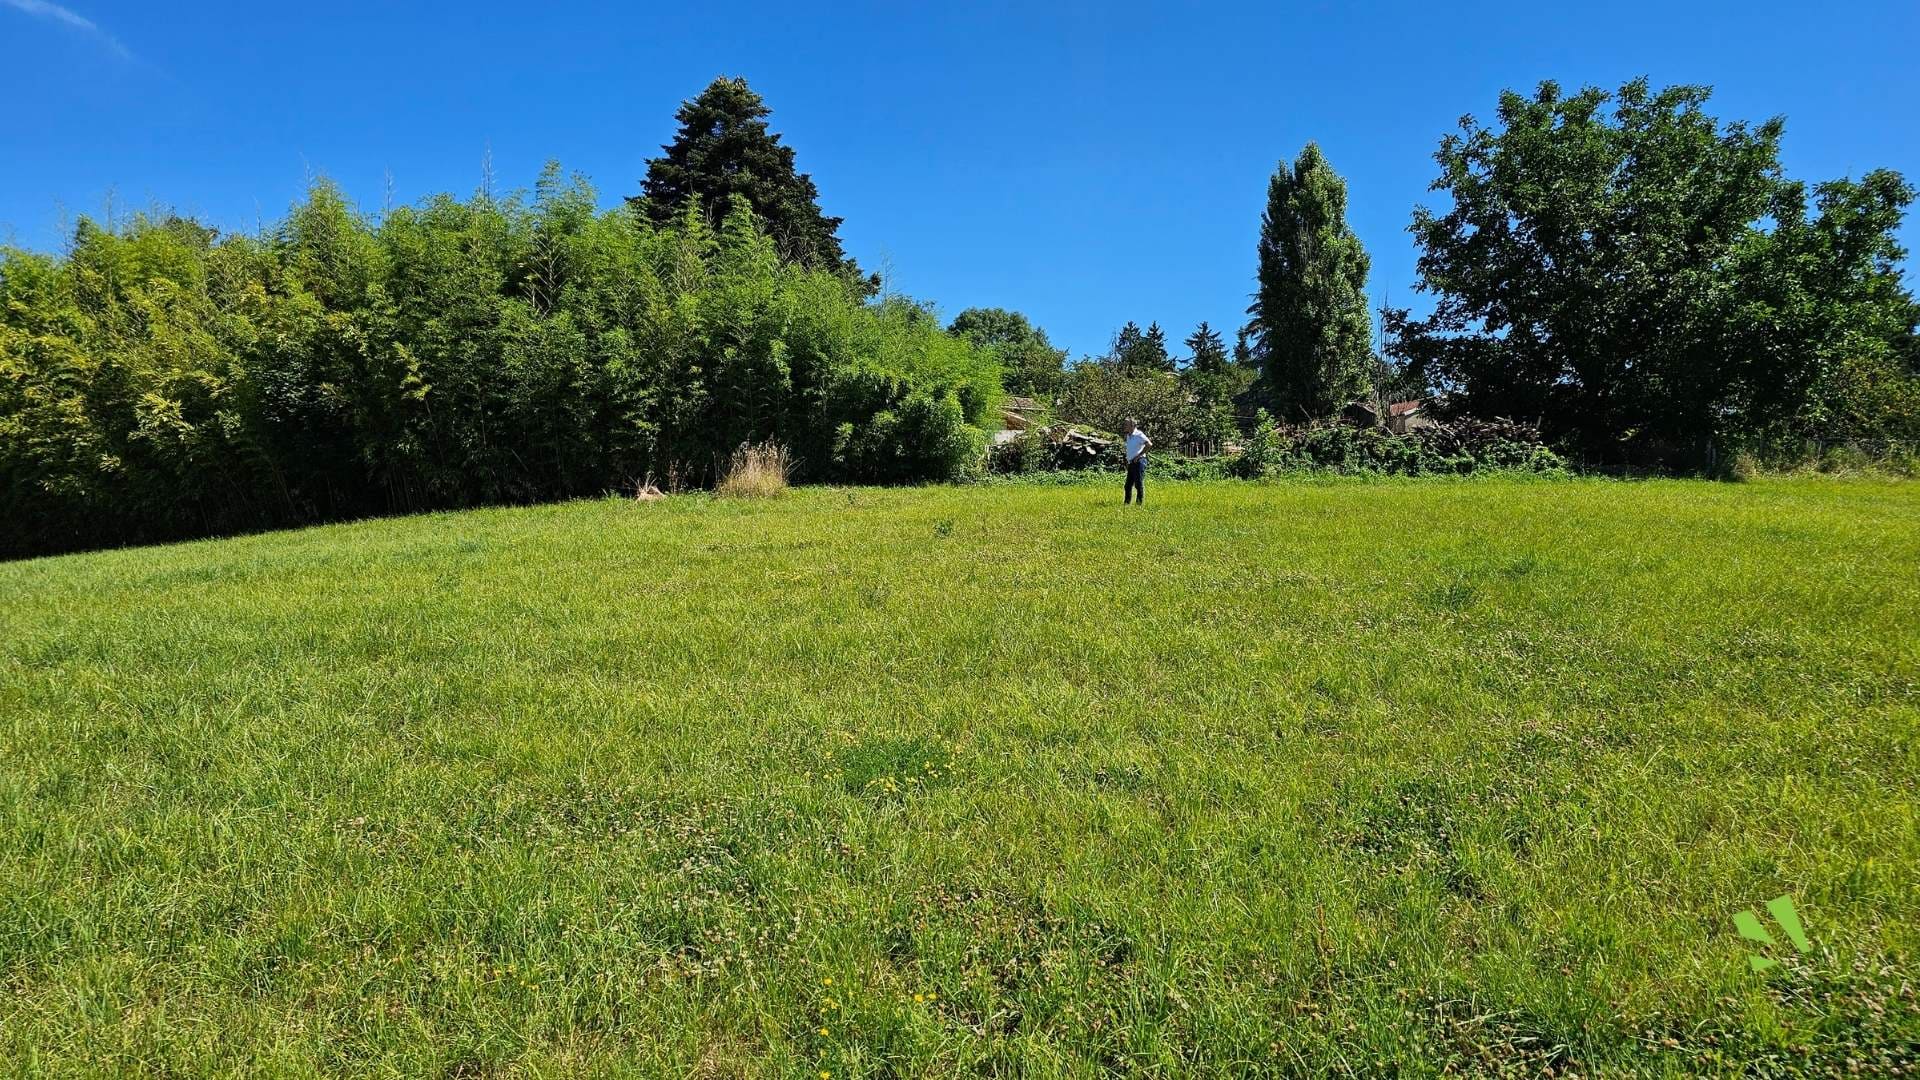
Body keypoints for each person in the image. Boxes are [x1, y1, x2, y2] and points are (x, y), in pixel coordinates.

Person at [1122, 418, 1151, 505]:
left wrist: (1139, 455)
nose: (1124, 426)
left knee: (1138, 484)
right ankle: (1126, 504)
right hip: (1131, 463)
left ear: (1132, 425)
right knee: (1127, 486)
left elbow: (1149, 444)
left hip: (1139, 462)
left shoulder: (1139, 435)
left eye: (1126, 424)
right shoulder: (1128, 435)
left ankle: (1139, 504)